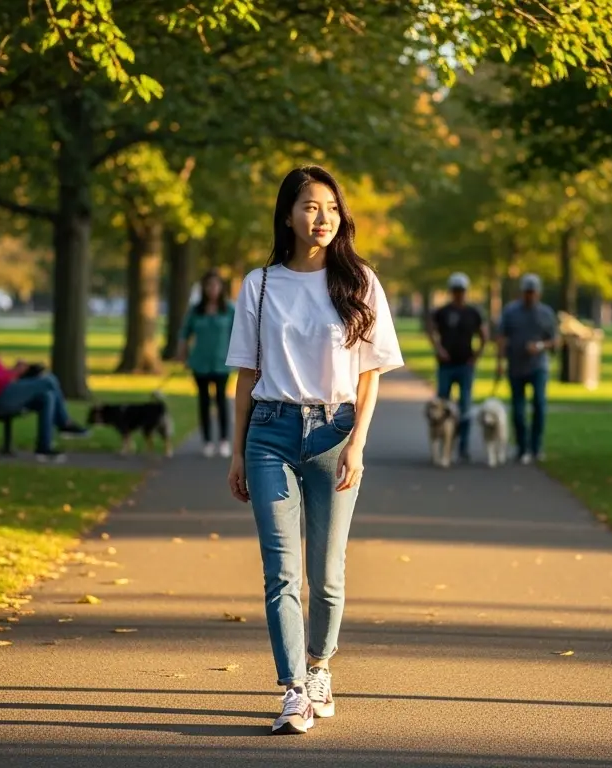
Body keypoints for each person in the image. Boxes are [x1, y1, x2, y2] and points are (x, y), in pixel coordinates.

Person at [225, 166, 403, 735]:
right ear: (286, 215)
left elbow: (371, 373)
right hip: (270, 433)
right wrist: (236, 453)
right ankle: (295, 689)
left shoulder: (359, 282)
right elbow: (247, 376)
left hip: (335, 433)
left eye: (329, 207)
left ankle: (321, 666)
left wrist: (358, 445)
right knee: (281, 572)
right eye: (308, 206)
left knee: (326, 572)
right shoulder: (261, 284)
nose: (320, 217)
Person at [0, 314, 86, 462]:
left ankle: (44, 448)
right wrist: (17, 372)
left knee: (46, 397)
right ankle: (64, 423)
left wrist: (16, 370)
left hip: (2, 391)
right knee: (49, 380)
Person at [496, 274, 557, 465]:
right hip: (516, 366)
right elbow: (501, 337)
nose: (530, 296)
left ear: (538, 293)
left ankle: (536, 447)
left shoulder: (546, 313)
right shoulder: (511, 312)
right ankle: (522, 448)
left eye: (533, 292)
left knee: (539, 404)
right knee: (519, 409)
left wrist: (538, 346)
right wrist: (500, 361)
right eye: (527, 292)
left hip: (538, 366)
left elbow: (554, 340)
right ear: (522, 293)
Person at [428, 272, 487, 462]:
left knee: (465, 406)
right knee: (442, 406)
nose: (458, 294)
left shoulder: (473, 312)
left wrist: (476, 356)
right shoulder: (443, 312)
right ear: (451, 291)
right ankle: (440, 443)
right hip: (446, 365)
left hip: (465, 365)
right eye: (455, 291)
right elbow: (431, 328)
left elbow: (484, 334)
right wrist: (438, 348)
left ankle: (463, 447)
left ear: (466, 291)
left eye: (461, 291)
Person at [178, 271, 236, 458]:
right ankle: (207, 441)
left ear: (221, 288)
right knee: (203, 401)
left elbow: (239, 333)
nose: (213, 289)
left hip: (221, 363)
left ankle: (224, 440)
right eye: (209, 285)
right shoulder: (196, 310)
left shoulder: (229, 309)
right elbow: (184, 333)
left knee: (221, 400)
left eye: (216, 285)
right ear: (204, 288)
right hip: (199, 363)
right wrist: (183, 354)